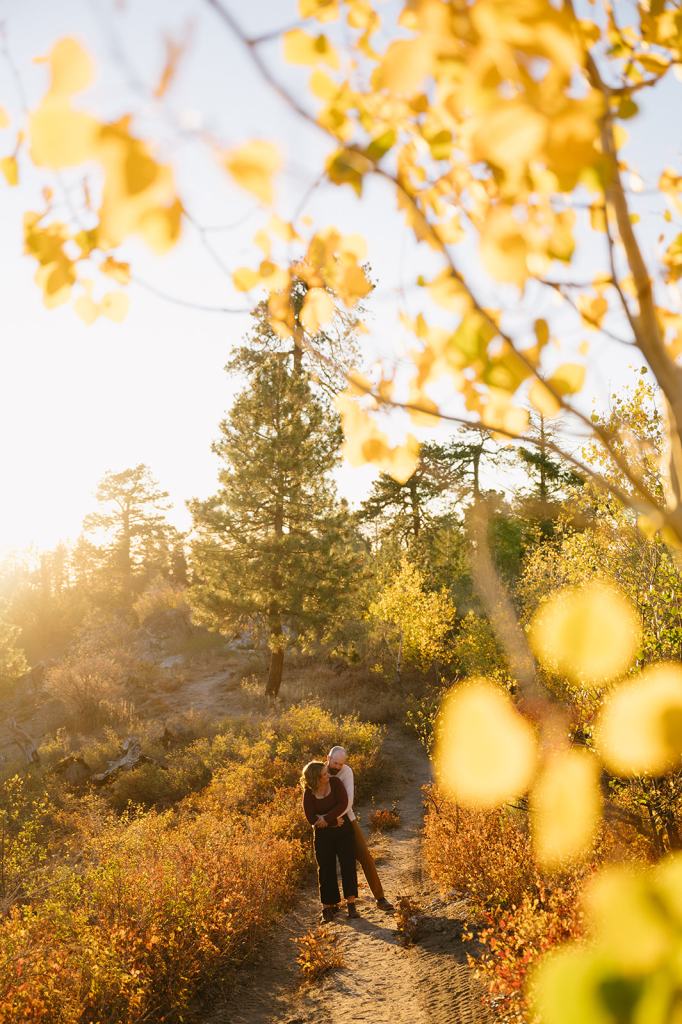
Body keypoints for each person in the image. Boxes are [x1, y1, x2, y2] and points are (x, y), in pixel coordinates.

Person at [327, 745, 394, 912]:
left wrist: (335, 817)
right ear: (328, 758)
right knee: (327, 863)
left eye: (340, 764)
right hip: (325, 823)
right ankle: (330, 905)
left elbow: (349, 801)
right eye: (334, 763)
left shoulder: (347, 772)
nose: (337, 767)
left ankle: (380, 898)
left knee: (365, 856)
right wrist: (327, 820)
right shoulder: (319, 771)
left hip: (346, 819)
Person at [300, 760, 360, 923]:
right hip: (323, 833)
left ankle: (351, 904)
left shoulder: (335, 782)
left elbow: (343, 804)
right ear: (315, 779)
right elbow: (310, 817)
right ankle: (328, 907)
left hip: (343, 830)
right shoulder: (309, 792)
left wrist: (326, 818)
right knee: (325, 868)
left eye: (327, 772)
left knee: (348, 864)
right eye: (324, 774)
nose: (328, 775)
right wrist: (332, 822)